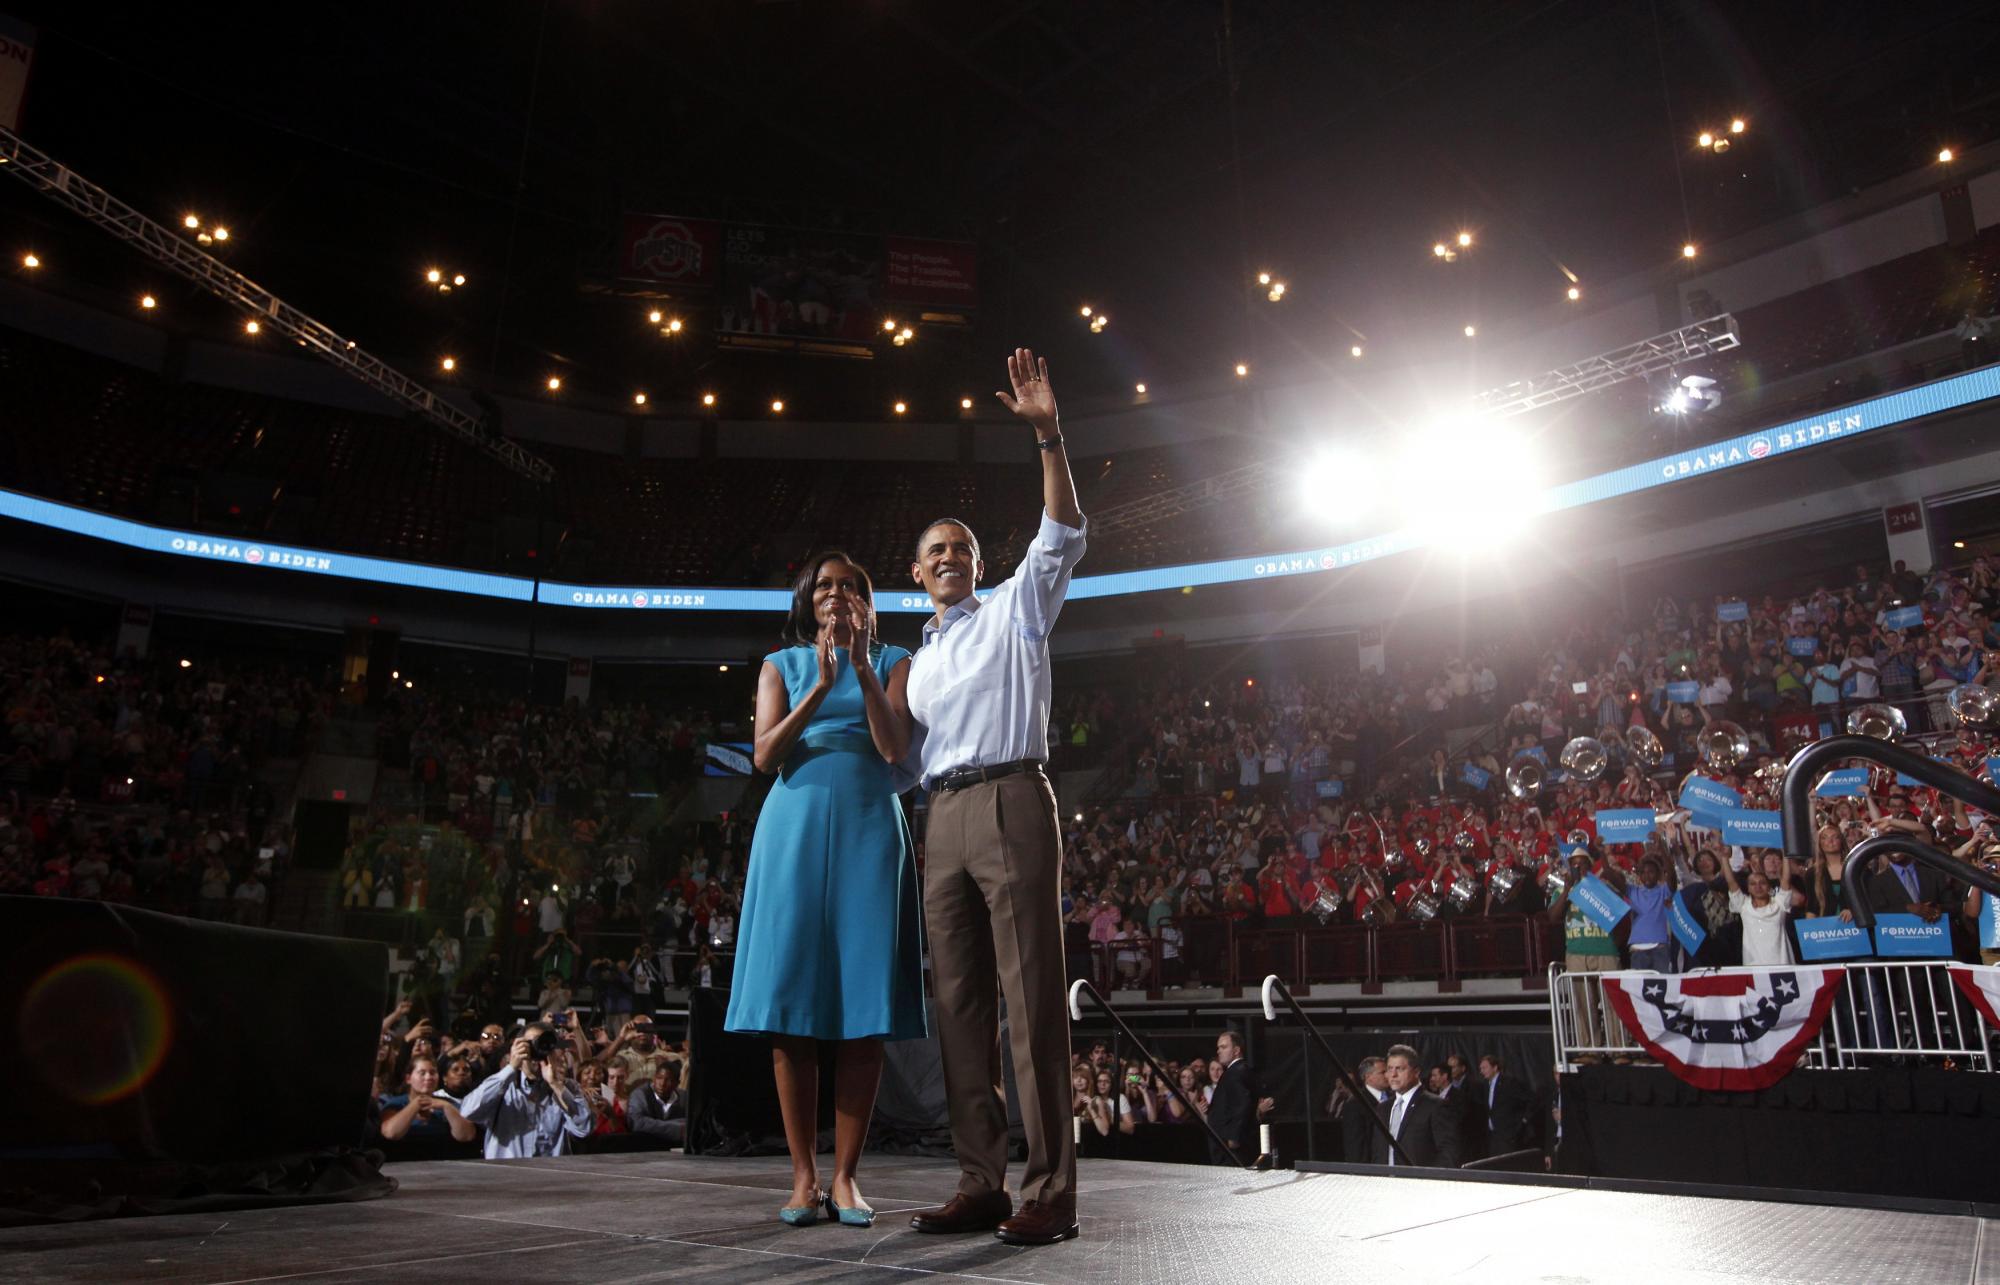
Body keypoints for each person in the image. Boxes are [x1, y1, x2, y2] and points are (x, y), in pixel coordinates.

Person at [906, 348, 1087, 1248]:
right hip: (939, 815)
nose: (950, 557)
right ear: (916, 572)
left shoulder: (1017, 606)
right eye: (935, 550)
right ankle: (980, 1180)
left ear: (979, 564)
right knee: (960, 1008)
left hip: (1012, 795)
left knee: (1032, 996)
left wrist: (1048, 435)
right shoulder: (916, 664)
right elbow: (897, 751)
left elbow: (1062, 528)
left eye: (962, 548)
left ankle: (1049, 1188)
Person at [725, 549, 927, 1229]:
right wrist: (819, 685)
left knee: (864, 1008)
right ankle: (803, 1177)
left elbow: (895, 748)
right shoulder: (779, 664)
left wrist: (861, 668)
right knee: (793, 1009)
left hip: (871, 824)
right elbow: (763, 755)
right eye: (824, 586)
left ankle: (845, 1178)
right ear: (808, 600)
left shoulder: (895, 660)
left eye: (849, 586)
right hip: (795, 826)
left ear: (867, 602)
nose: (836, 594)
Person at [455, 1026, 596, 1159]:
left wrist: (555, 1084)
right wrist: (511, 1068)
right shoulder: (501, 1086)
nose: (536, 1051)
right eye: (530, 1044)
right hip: (506, 1173)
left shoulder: (566, 1087)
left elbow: (584, 1128)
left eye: (542, 1044)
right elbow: (468, 1111)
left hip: (549, 1173)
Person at [1372, 1044, 1458, 1168]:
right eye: (1389, 1069)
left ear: (1416, 1072)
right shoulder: (1382, 1108)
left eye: (1399, 1069)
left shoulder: (1435, 1105)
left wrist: (1427, 1178)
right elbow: (1377, 1152)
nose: (1393, 1074)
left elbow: (1448, 1153)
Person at [377, 1055, 476, 1145]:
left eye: (432, 1073)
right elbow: (390, 1133)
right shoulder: (395, 1104)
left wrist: (447, 1107)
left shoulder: (448, 1103)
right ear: (408, 1079)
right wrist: (416, 1104)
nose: (428, 1077)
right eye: (422, 1073)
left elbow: (467, 1136)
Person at [1204, 1029, 1264, 1165]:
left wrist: (1234, 1137)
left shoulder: (1236, 1072)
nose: (1219, 1051)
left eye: (1223, 1047)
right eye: (1218, 1047)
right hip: (1227, 1147)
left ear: (1236, 1050)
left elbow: (1242, 1104)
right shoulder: (1236, 1071)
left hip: (1231, 1150)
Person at [1478, 1053, 1534, 1155]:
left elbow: (1530, 1100)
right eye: (1481, 1068)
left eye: (1484, 1068)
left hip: (1508, 1137)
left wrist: (1523, 1120)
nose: (1482, 1071)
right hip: (1493, 1138)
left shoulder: (1509, 1083)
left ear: (1495, 1067)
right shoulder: (1485, 1085)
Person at [1339, 1056, 1392, 1163]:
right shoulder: (1355, 1104)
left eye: (1388, 1071)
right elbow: (1355, 1144)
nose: (1388, 1075)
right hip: (1373, 1166)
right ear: (1368, 1077)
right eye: (1383, 1072)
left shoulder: (1395, 1098)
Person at [628, 1062, 686, 1148]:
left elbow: (692, 1124)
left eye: (668, 1080)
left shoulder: (684, 1097)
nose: (662, 1084)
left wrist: (652, 1124)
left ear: (677, 1083)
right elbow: (637, 1123)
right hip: (645, 1147)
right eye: (659, 1078)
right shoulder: (640, 1094)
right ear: (654, 1078)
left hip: (676, 1149)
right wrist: (676, 1129)